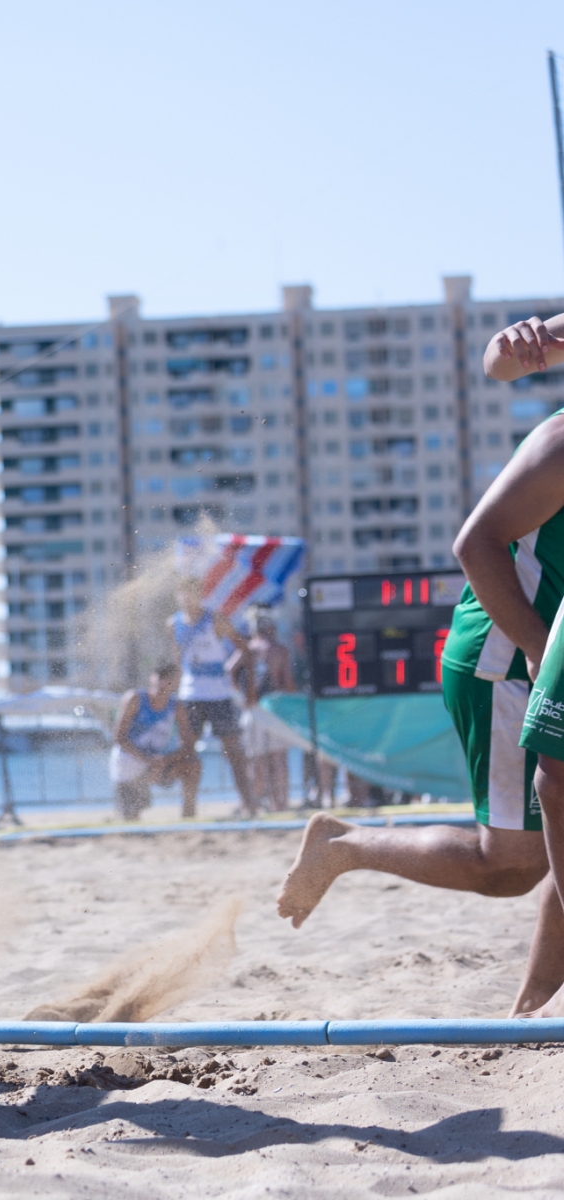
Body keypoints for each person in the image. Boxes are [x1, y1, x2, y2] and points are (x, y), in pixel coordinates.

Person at [277, 311, 564, 1018]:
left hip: (541, 649)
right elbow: (474, 543)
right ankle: (345, 847)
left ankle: (531, 1013)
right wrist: (535, 648)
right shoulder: (561, 443)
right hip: (508, 652)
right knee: (509, 868)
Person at [169, 579, 256, 816]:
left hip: (219, 695)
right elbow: (178, 663)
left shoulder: (215, 620)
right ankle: (188, 808)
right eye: (183, 593)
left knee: (234, 751)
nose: (188, 598)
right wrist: (174, 695)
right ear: (178, 595)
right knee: (187, 750)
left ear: (200, 594)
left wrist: (249, 689)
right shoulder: (173, 624)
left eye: (192, 593)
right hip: (190, 695)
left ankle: (249, 805)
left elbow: (245, 649)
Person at [109, 660, 200, 820]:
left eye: (169, 679)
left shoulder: (176, 706)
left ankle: (188, 817)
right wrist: (147, 759)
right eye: (161, 677)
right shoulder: (135, 698)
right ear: (152, 677)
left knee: (192, 764)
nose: (164, 683)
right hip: (131, 761)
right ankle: (125, 809)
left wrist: (165, 759)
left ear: (175, 682)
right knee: (131, 820)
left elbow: (188, 745)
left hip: (157, 764)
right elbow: (118, 738)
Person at [238, 612, 294, 813]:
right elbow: (288, 684)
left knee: (257, 760)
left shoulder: (248, 649)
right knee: (278, 758)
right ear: (271, 628)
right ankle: (280, 803)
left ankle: (256, 803)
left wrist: (241, 697)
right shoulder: (279, 650)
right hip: (274, 708)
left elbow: (228, 671)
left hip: (253, 709)